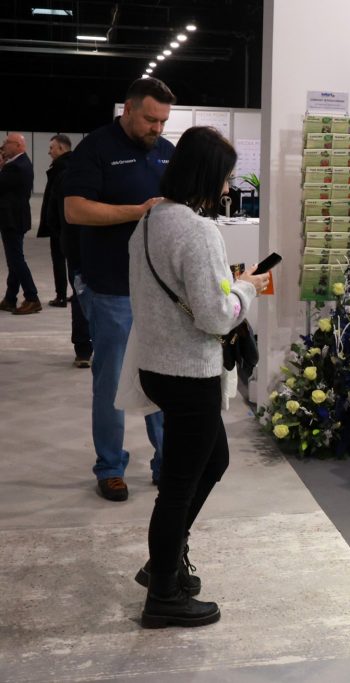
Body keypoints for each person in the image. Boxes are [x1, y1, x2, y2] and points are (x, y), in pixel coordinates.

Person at [125, 125, 269, 628]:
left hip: (157, 365)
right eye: (225, 177)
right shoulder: (198, 230)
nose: (228, 188)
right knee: (179, 487)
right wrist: (246, 288)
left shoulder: (150, 219)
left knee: (212, 461)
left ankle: (162, 563)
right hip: (189, 373)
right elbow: (216, 317)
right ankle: (163, 594)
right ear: (206, 176)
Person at [63, 77, 175, 500]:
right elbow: (75, 210)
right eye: (150, 119)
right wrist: (138, 212)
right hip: (111, 288)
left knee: (162, 380)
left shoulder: (167, 152)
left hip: (159, 290)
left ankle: (167, 462)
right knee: (111, 383)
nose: (157, 129)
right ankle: (110, 466)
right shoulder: (96, 148)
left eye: (163, 121)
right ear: (127, 110)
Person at [0, 133, 41, 315]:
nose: (3, 146)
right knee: (14, 260)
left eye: (6, 143)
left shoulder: (15, 167)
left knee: (16, 260)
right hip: (16, 218)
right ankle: (10, 298)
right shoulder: (21, 162)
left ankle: (32, 297)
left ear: (18, 145)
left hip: (12, 219)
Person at [38, 134, 74, 307]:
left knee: (59, 259)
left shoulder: (62, 168)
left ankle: (61, 296)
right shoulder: (72, 165)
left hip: (60, 225)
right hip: (68, 223)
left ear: (61, 148)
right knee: (73, 260)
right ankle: (75, 294)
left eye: (52, 148)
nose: (49, 152)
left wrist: (53, 223)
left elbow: (57, 200)